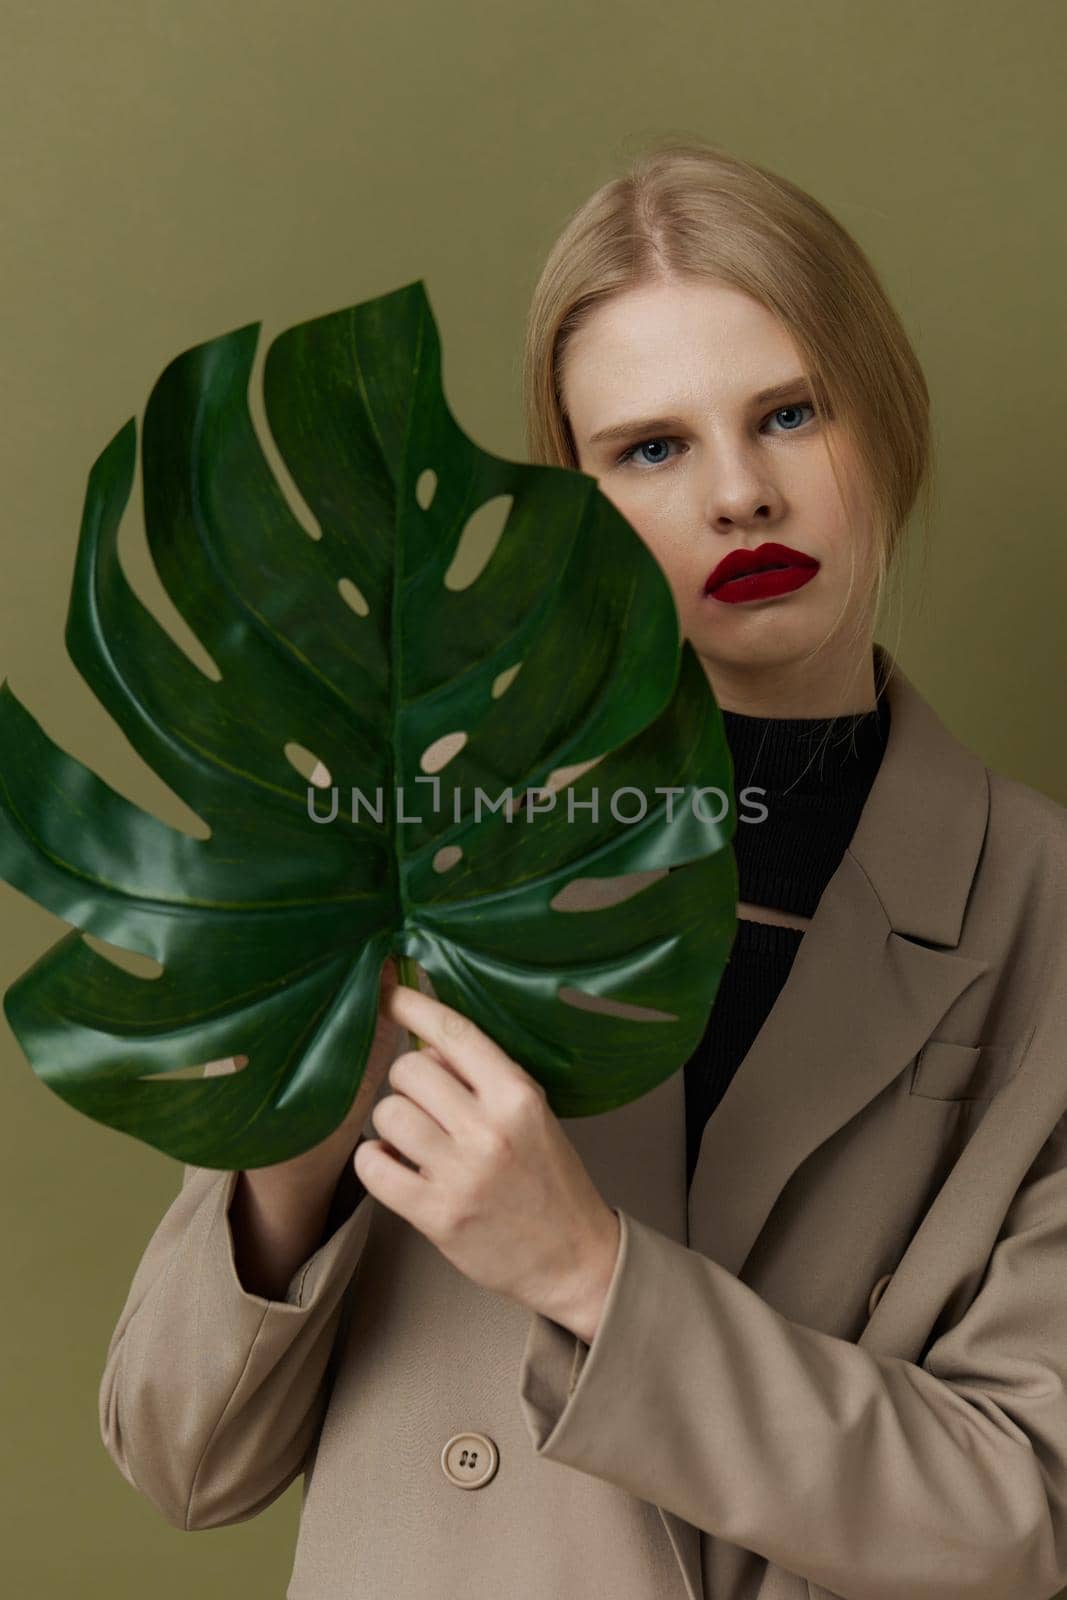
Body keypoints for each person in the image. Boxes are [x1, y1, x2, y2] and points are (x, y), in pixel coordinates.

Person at [98, 140, 1067, 1600]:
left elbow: (1026, 1513)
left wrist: (589, 1272)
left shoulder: (1042, 906)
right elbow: (184, 1461)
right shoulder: (424, 833)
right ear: (580, 504)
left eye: (791, 412)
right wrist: (300, 1141)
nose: (738, 495)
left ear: (890, 415)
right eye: (651, 448)